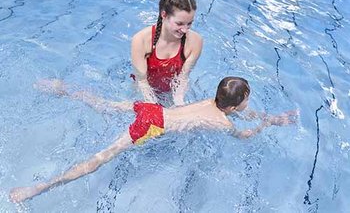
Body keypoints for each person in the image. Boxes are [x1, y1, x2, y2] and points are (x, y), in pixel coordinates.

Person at [9, 77, 297, 203]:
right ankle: (35, 190)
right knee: (99, 160)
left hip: (153, 110)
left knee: (103, 104)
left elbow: (239, 114)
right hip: (151, 125)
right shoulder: (222, 123)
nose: (248, 106)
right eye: (246, 102)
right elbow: (243, 135)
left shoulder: (213, 102)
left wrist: (271, 118)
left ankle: (61, 89)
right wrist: (261, 128)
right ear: (234, 107)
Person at [131, 0, 203, 106]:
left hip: (170, 93)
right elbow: (142, 81)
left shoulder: (195, 42)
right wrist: (153, 104)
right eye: (179, 23)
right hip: (143, 91)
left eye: (189, 23)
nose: (185, 30)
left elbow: (183, 77)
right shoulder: (141, 40)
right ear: (164, 15)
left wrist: (179, 103)